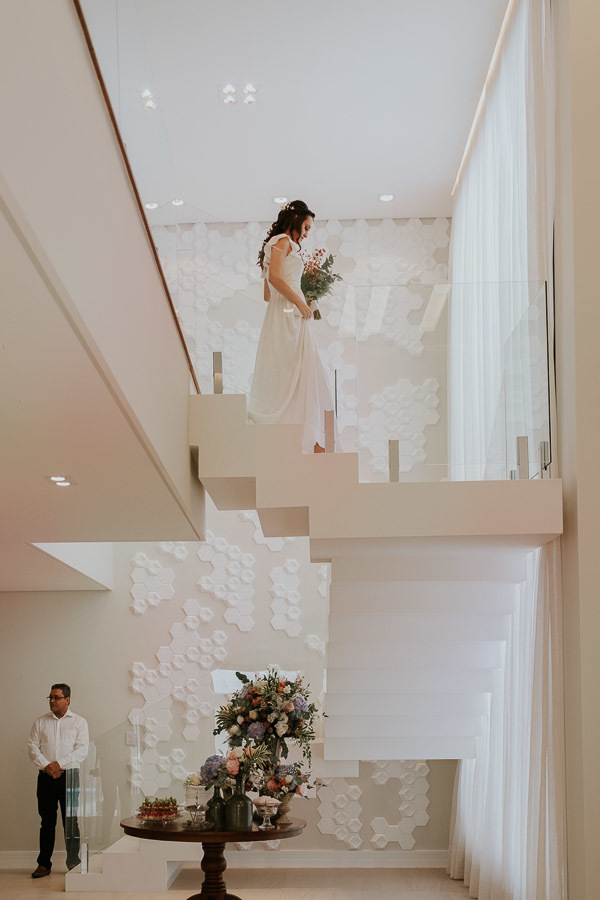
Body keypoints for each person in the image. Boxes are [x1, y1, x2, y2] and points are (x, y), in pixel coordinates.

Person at [248, 200, 335, 453]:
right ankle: (309, 438)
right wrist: (299, 301)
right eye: (306, 227)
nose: (307, 234)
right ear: (296, 220)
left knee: (299, 370)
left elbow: (269, 293)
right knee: (296, 369)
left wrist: (301, 300)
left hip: (286, 312)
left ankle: (309, 436)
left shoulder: (280, 245)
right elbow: (274, 278)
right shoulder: (282, 241)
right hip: (288, 314)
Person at [27, 684, 89, 878]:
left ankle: (73, 862)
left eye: (56, 697)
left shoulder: (79, 722)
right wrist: (47, 766)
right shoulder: (40, 722)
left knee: (71, 822)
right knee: (47, 822)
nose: (52, 701)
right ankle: (44, 864)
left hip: (69, 777)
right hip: (45, 778)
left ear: (67, 700)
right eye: (50, 697)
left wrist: (58, 764)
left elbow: (82, 751)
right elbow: (32, 747)